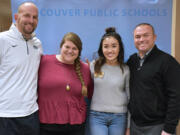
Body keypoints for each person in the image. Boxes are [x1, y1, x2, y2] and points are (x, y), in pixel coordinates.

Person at [127, 23, 180, 135]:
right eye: (137, 36)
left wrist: (169, 129)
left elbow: (176, 96)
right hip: (135, 126)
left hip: (159, 127)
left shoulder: (168, 62)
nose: (141, 39)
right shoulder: (132, 61)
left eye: (146, 35)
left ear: (154, 37)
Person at [38, 32, 94, 135]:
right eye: (67, 47)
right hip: (46, 124)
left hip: (75, 125)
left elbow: (91, 93)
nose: (70, 51)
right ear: (61, 47)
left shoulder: (85, 69)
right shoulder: (44, 61)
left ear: (79, 51)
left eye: (74, 48)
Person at [0, 2, 42, 135]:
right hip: (5, 115)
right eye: (27, 16)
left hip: (31, 114)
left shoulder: (38, 44)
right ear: (16, 16)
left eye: (34, 17)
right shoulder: (2, 40)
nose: (31, 20)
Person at [88, 27, 130, 135]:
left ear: (119, 48)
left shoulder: (125, 69)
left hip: (119, 117)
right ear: (101, 49)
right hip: (97, 116)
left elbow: (130, 97)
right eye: (106, 47)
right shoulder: (94, 65)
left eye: (114, 46)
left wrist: (129, 125)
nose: (110, 50)